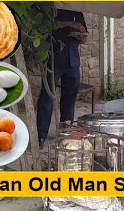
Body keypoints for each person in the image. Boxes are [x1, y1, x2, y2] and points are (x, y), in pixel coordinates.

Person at [37, 9, 88, 150]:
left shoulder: (78, 12)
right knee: (47, 98)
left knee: (70, 99)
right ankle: (41, 135)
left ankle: (66, 133)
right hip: (53, 59)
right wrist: (70, 24)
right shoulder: (53, 9)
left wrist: (81, 36)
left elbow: (84, 37)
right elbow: (48, 26)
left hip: (73, 62)